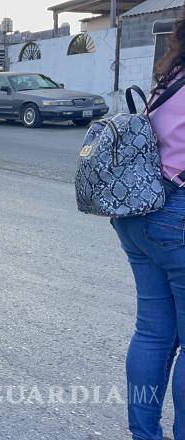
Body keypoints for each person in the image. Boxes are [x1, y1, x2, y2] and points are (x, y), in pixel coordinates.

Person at [111, 10, 185, 440]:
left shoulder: (170, 76)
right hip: (177, 218)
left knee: (153, 333)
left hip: (141, 213)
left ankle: (144, 434)